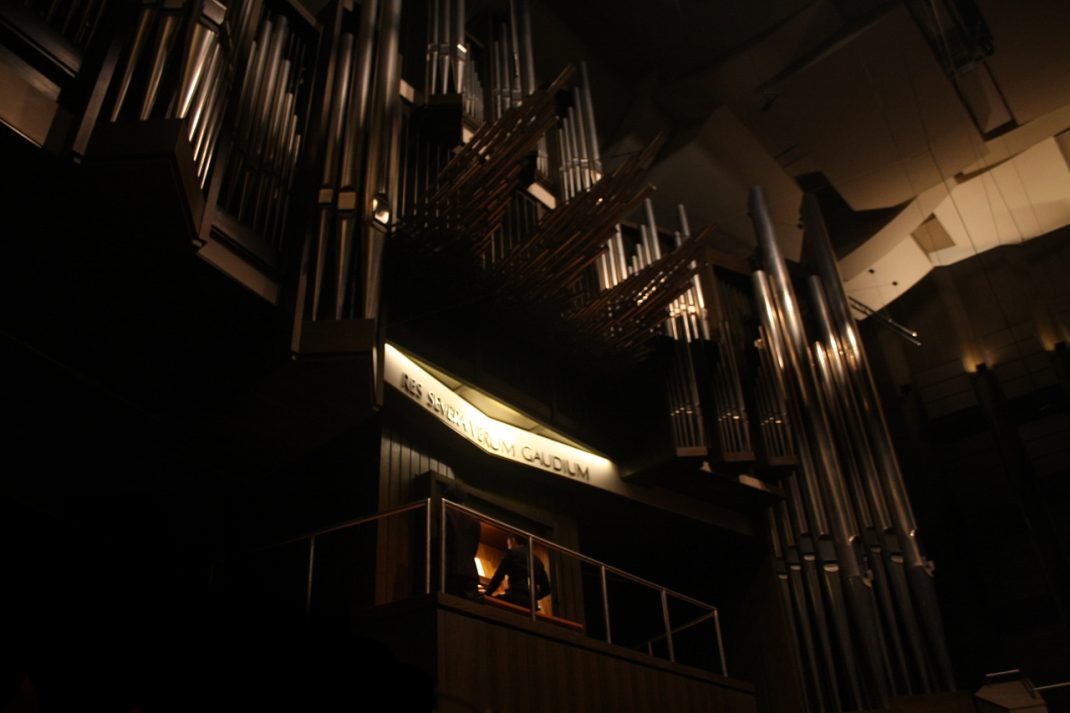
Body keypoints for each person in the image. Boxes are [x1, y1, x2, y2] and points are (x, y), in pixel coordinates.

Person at [483, 534, 551, 610]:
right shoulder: (537, 561)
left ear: (513, 540)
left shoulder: (512, 553)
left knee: (489, 605)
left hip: (514, 598)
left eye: (508, 543)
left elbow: (498, 577)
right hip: (530, 604)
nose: (508, 546)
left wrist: (486, 594)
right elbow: (546, 589)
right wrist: (533, 598)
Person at [442, 484, 482, 600]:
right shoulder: (475, 519)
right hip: (470, 574)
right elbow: (474, 549)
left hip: (451, 571)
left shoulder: (447, 512)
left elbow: (445, 542)